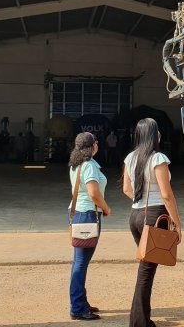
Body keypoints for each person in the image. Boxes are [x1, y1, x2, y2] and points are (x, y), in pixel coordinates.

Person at [122, 118, 182, 327]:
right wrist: (177, 223)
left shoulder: (130, 158)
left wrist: (140, 201)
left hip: (135, 216)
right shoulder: (158, 158)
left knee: (146, 267)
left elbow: (126, 190)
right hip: (155, 216)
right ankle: (139, 322)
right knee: (146, 271)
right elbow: (166, 194)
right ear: (155, 135)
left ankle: (142, 318)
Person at [67, 132, 111, 321]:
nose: (97, 145)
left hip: (77, 213)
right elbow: (94, 194)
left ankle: (81, 302)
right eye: (96, 143)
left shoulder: (76, 165)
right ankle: (77, 307)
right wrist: (106, 208)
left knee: (80, 262)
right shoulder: (90, 166)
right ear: (92, 146)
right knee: (80, 263)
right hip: (87, 215)